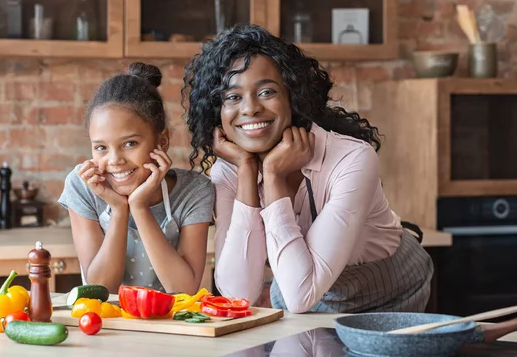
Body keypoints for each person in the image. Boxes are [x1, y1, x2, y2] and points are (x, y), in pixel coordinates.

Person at [182, 24, 433, 314]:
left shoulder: (351, 159)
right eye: (233, 97)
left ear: (292, 96)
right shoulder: (230, 171)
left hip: (389, 292)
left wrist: (273, 177)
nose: (250, 109)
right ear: (217, 112)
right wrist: (248, 171)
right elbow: (240, 295)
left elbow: (302, 295)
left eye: (266, 91)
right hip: (297, 293)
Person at [58, 62, 215, 295]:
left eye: (129, 144)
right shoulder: (83, 185)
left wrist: (139, 207)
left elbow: (184, 290)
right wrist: (119, 210)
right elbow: (101, 289)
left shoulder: (194, 191)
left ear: (162, 141)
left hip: (171, 327)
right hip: (106, 326)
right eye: (101, 147)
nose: (115, 160)